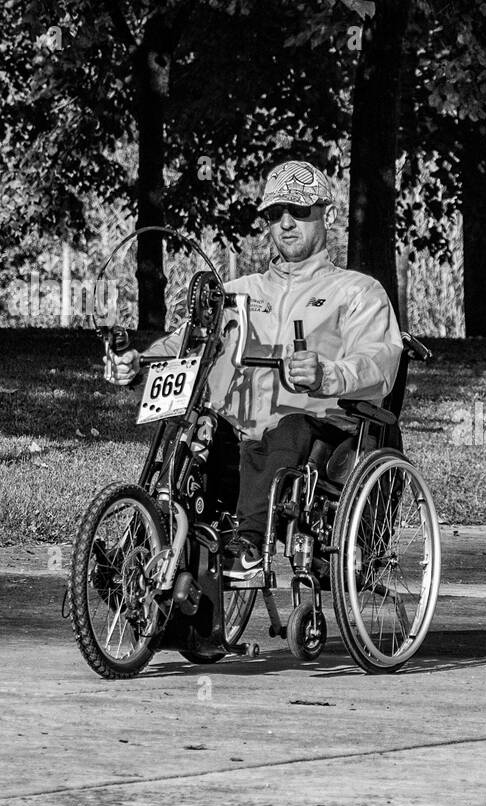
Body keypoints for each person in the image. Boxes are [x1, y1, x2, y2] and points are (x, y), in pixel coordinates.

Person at [104, 159, 403, 582]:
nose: (285, 223)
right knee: (191, 431)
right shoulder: (238, 293)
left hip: (317, 430)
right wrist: (140, 365)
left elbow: (378, 360)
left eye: (298, 212)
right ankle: (136, 557)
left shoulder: (356, 291)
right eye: (274, 214)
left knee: (287, 428)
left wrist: (327, 374)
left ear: (328, 216)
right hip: (240, 431)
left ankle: (248, 548)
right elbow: (185, 343)